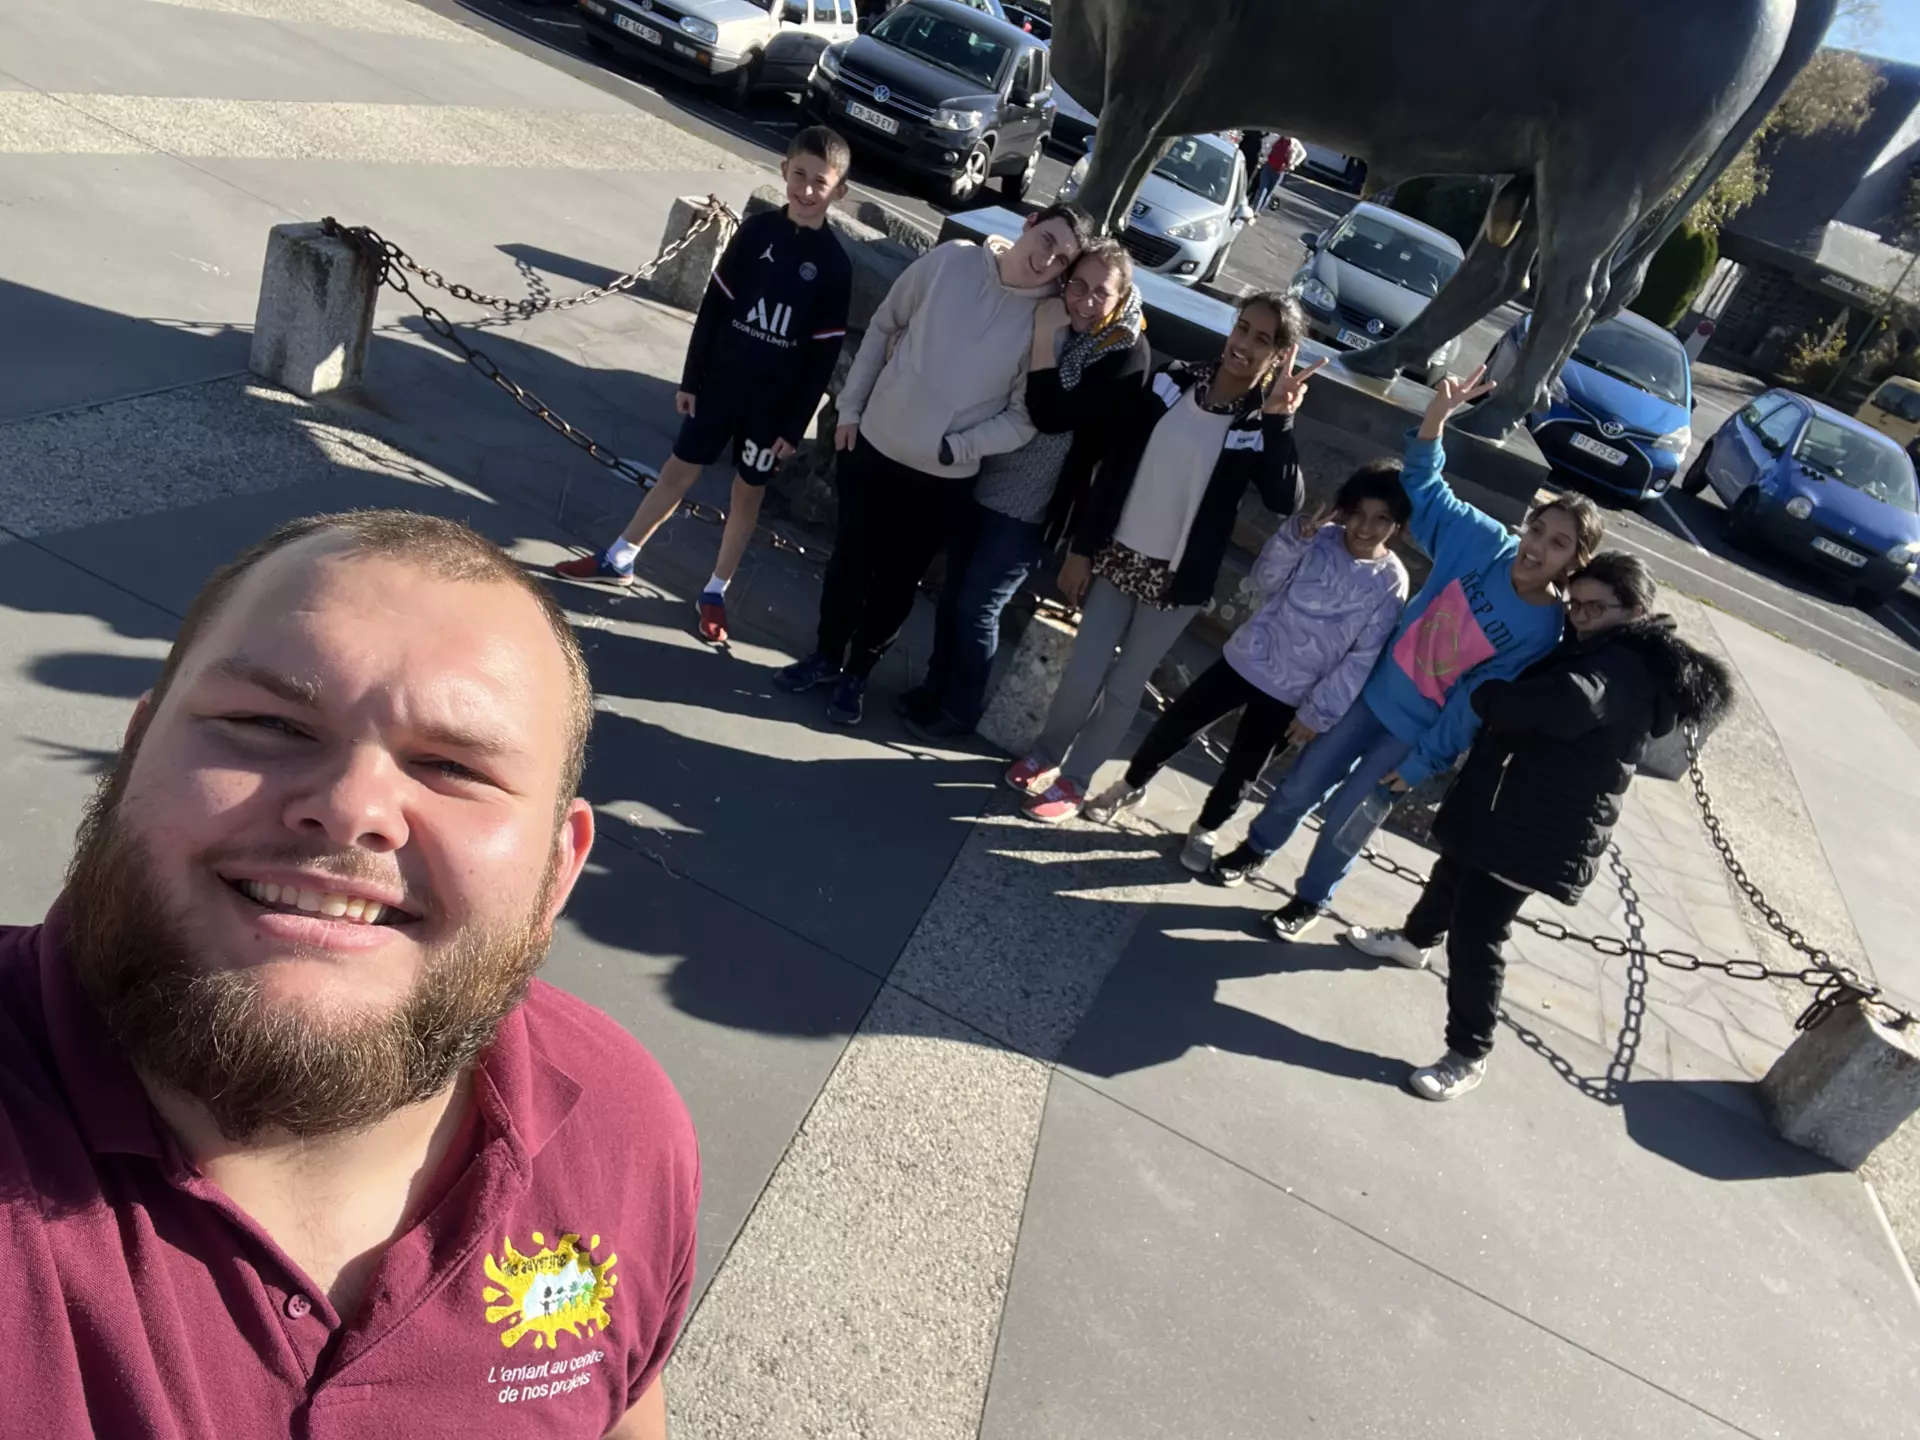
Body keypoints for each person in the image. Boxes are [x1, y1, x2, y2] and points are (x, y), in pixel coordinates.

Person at [2, 513, 699, 1438]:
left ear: (557, 871)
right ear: (134, 755)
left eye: (452, 766)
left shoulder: (622, 1129)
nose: (351, 807)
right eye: (267, 724)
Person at [1211, 369, 1606, 942]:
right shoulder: (1485, 543)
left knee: (1349, 818)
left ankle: (1311, 898)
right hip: (1371, 690)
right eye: (1537, 530)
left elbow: (1477, 701)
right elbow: (1424, 487)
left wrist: (1425, 761)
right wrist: (1436, 418)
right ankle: (1256, 847)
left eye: (1558, 544)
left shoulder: (1543, 631)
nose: (1537, 547)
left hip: (1415, 732)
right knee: (1302, 782)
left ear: (1574, 562)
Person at [1343, 552, 1735, 1101]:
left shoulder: (1620, 666)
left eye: (1596, 607)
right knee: (1453, 874)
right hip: (1512, 807)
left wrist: (1489, 695)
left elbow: (1567, 702)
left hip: (1536, 830)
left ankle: (1467, 1054)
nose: (1580, 616)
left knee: (1478, 934)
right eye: (1576, 605)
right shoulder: (1606, 646)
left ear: (1636, 610)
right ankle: (1414, 940)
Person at [1005, 294, 1320, 823]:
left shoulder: (1257, 421)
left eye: (1262, 339)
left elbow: (1284, 500)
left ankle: (1074, 781)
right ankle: (1046, 752)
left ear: (1279, 354)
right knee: (1083, 671)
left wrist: (1280, 420)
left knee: (1123, 687)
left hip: (1176, 580)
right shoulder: (1173, 380)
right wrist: (1081, 549)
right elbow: (1116, 466)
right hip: (1118, 554)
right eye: (1242, 328)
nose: (1244, 344)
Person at [775, 202, 1091, 726]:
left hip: (942, 477)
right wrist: (851, 409)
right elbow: (885, 325)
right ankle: (826, 656)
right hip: (876, 445)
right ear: (1030, 224)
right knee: (848, 563)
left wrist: (957, 449)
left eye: (1062, 259)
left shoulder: (1046, 325)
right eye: (1047, 241)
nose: (1048, 259)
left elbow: (1023, 419)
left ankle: (858, 675)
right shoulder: (953, 260)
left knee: (897, 583)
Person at [555, 127, 854, 646]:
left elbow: (821, 357)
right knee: (676, 472)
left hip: (772, 405)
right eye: (800, 175)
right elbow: (714, 308)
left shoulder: (834, 265)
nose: (807, 190)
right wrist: (692, 379)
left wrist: (792, 426)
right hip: (720, 386)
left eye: (820, 182)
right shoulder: (756, 232)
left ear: (839, 191)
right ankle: (620, 556)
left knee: (747, 495)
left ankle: (715, 590)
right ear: (784, 170)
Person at [1082, 461, 1412, 871]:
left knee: (1244, 768)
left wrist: (1318, 712)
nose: (1365, 527)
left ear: (1398, 525)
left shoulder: (1390, 581)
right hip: (1247, 658)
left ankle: (1207, 827)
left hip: (1294, 690)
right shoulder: (1317, 538)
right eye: (1358, 513)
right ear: (1344, 508)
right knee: (1176, 725)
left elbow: (1362, 657)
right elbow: (1265, 580)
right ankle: (1130, 785)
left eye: (1381, 519)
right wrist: (1294, 540)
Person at [899, 237, 1151, 740]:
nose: (1085, 301)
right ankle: (934, 687)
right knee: (953, 593)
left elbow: (1051, 413)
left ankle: (961, 709)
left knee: (978, 605)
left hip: (1035, 504)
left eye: (1100, 292)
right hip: (986, 471)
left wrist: (1042, 339)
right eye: (1077, 285)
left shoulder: (1126, 355)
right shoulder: (1056, 315)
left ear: (1121, 297)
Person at [1253, 135, 1305, 211]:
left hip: (1280, 170)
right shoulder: (1276, 137)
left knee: (1269, 192)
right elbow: (1264, 140)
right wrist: (1264, 152)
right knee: (1262, 190)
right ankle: (1255, 210)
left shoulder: (1294, 142)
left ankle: (1259, 211)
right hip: (1269, 166)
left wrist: (1294, 164)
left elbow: (1303, 153)